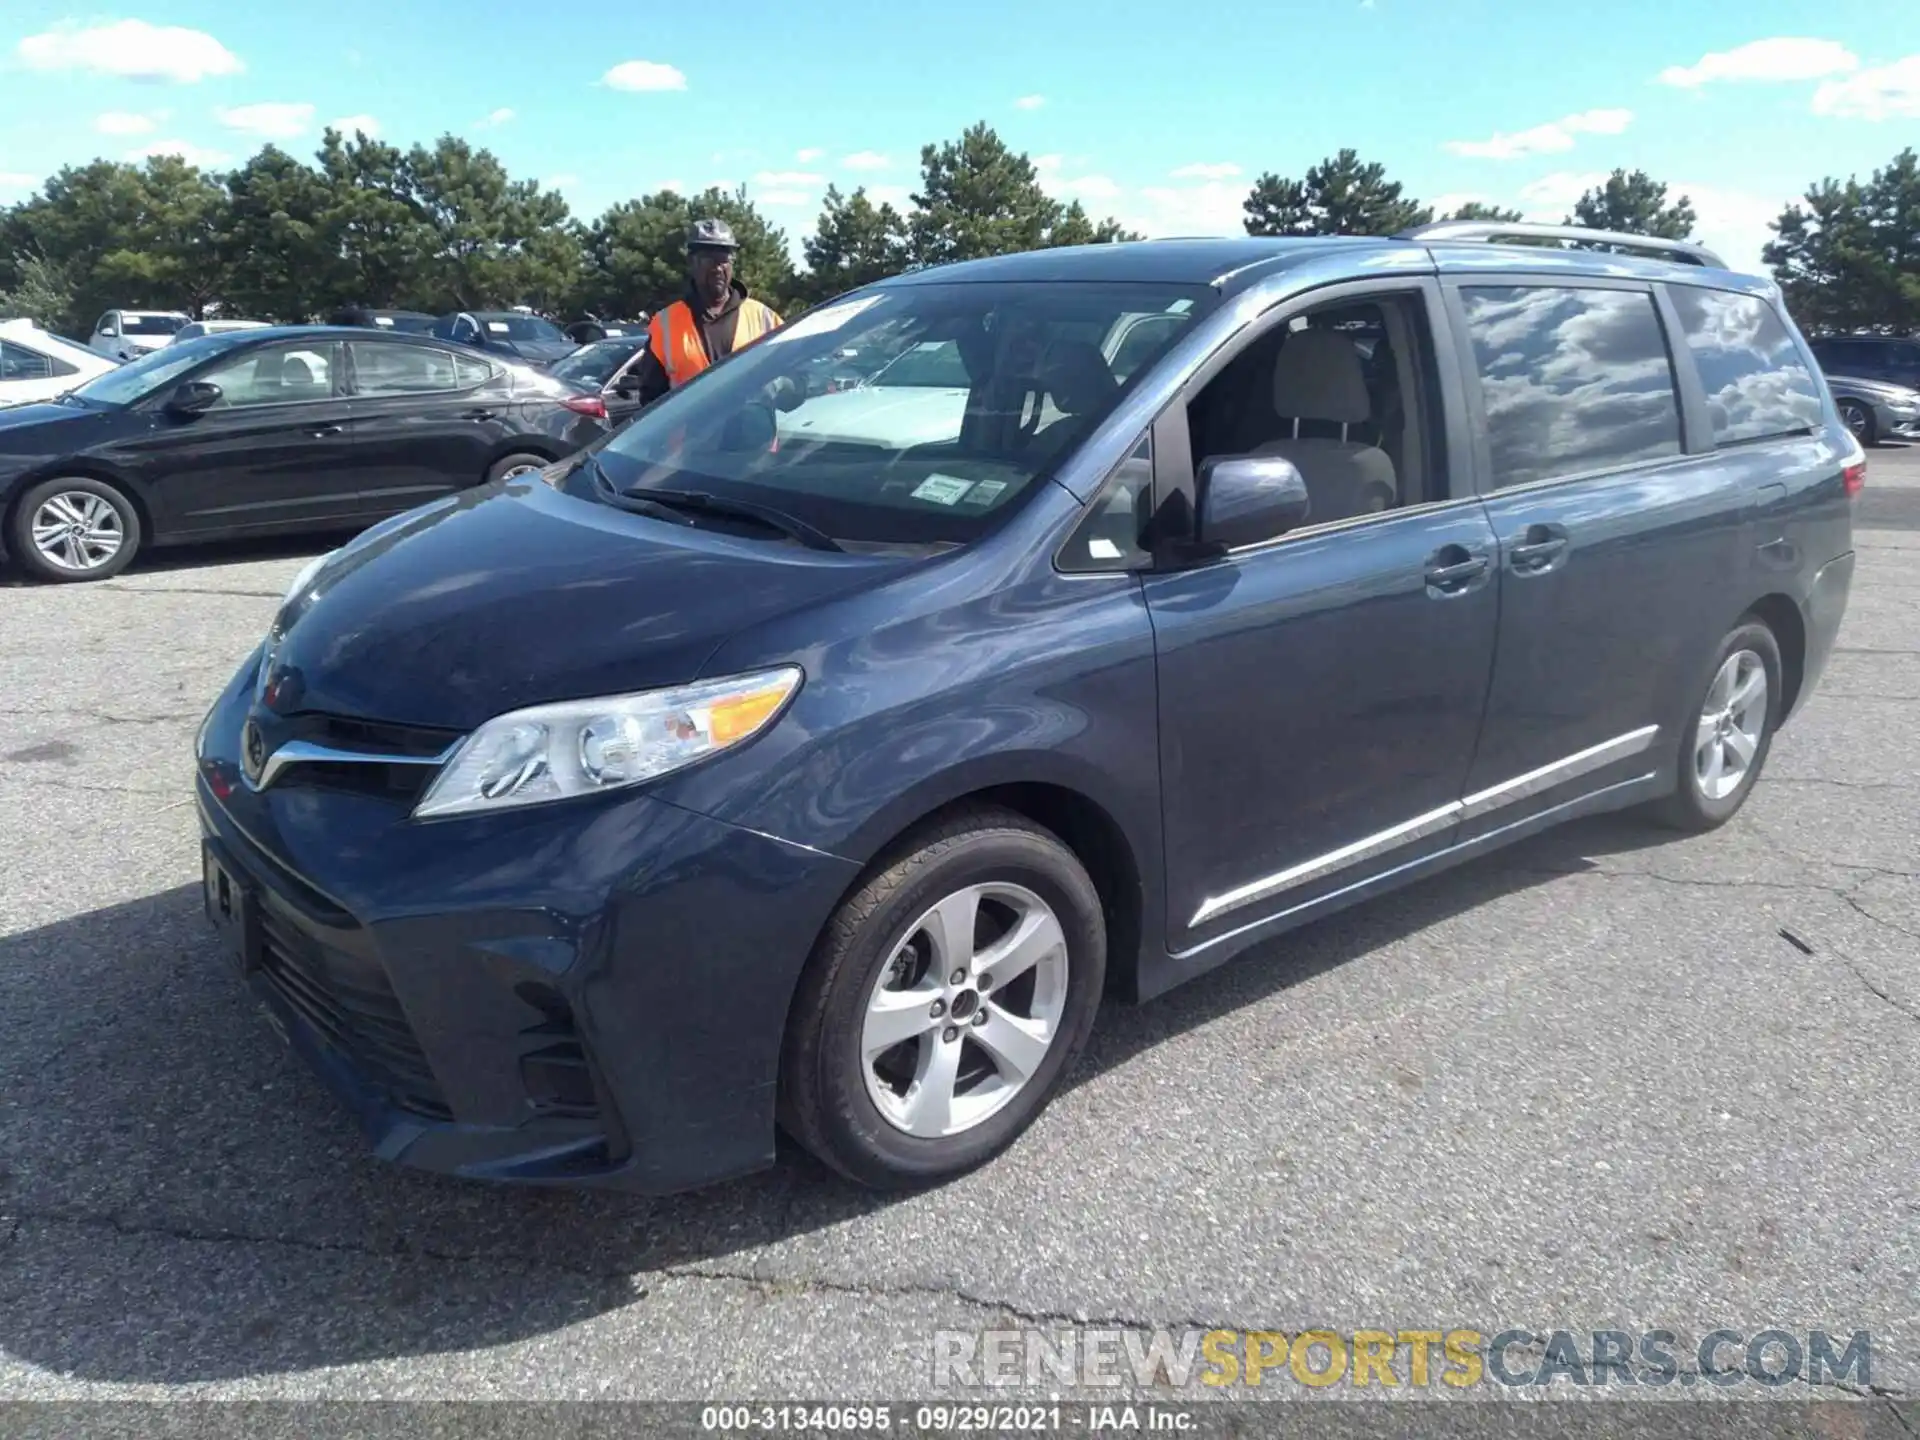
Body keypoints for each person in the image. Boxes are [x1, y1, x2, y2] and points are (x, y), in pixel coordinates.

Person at [630, 218, 782, 407]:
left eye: (724, 259)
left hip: (753, 435)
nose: (718, 268)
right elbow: (650, 398)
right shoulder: (665, 324)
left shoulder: (764, 318)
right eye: (709, 259)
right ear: (692, 263)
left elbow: (794, 385)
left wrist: (777, 387)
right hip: (689, 436)